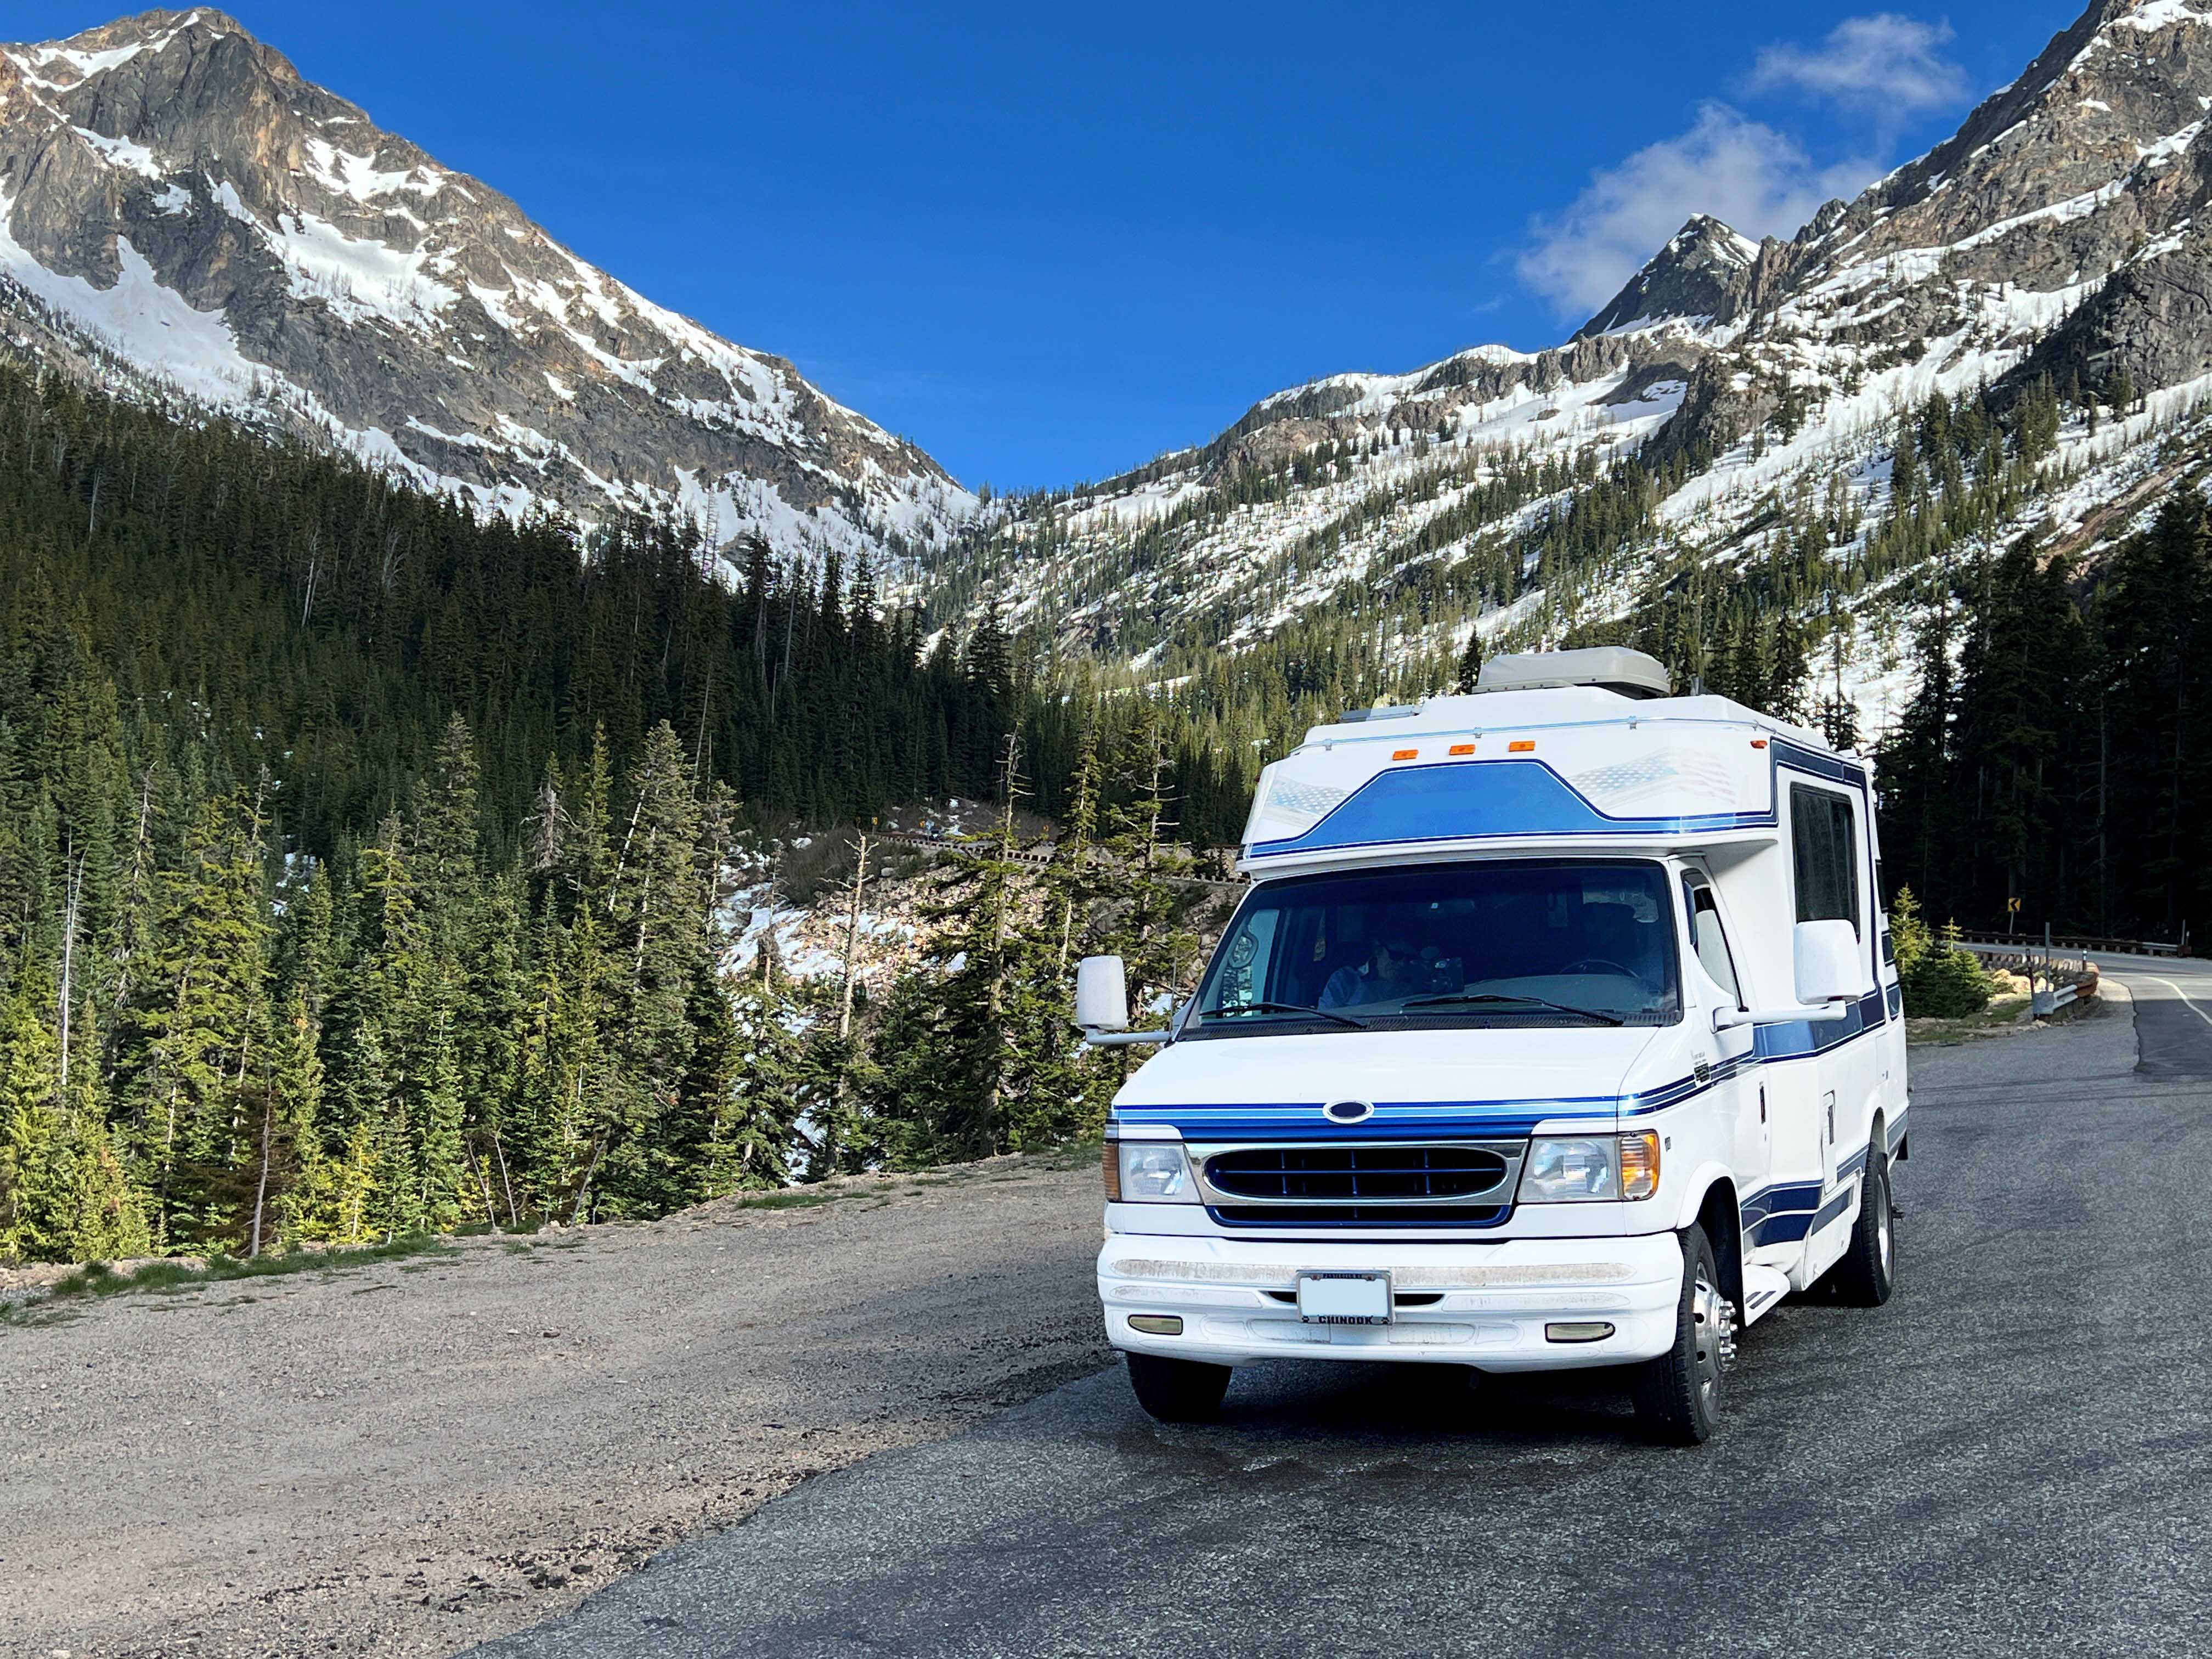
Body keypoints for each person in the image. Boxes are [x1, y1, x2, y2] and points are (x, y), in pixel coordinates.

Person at [1320, 937, 1414, 1009]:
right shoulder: (1345, 980)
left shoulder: (1419, 982)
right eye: (1397, 955)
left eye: (1409, 958)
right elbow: (1326, 1020)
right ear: (1378, 950)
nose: (1402, 964)